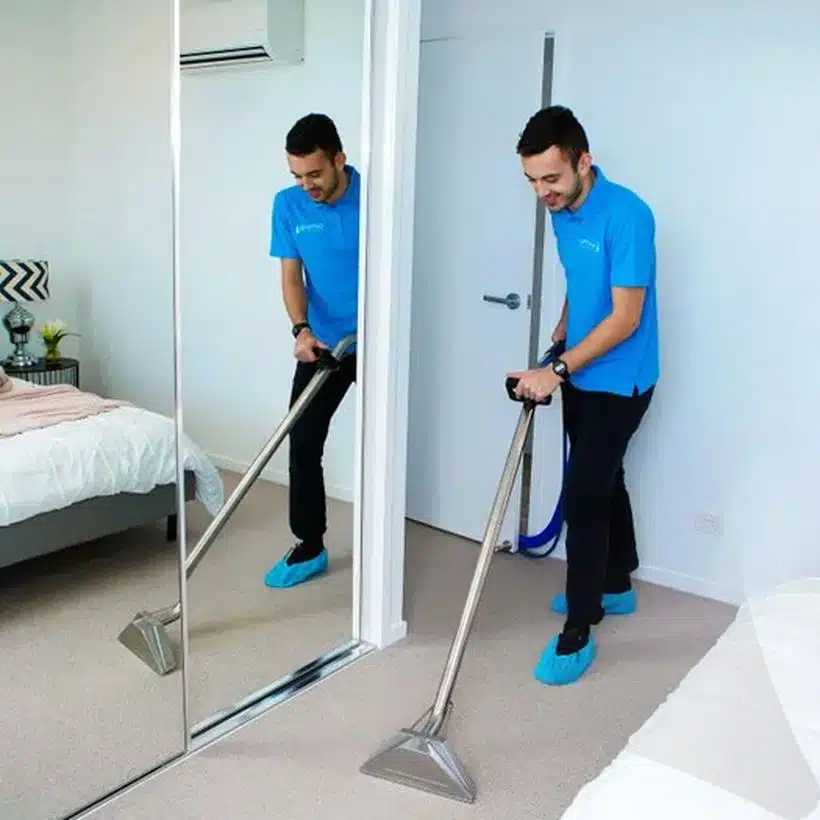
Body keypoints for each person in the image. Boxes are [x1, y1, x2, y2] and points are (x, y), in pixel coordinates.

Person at [507, 105, 660, 686]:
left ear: (583, 161)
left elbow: (625, 318)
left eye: (552, 178)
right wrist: (564, 326)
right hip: (581, 366)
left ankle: (580, 621)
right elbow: (581, 280)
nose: (542, 191)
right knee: (607, 477)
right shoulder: (562, 212)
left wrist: (560, 369)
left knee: (586, 490)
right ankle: (616, 581)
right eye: (532, 181)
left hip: (623, 379)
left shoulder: (629, 215)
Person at [264, 113, 360, 589]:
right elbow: (290, 276)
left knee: (384, 443)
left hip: (375, 339)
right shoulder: (288, 206)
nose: (307, 185)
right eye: (298, 176)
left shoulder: (375, 199)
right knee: (302, 441)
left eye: (315, 174)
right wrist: (301, 331)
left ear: (339, 160)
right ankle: (309, 545)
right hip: (324, 341)